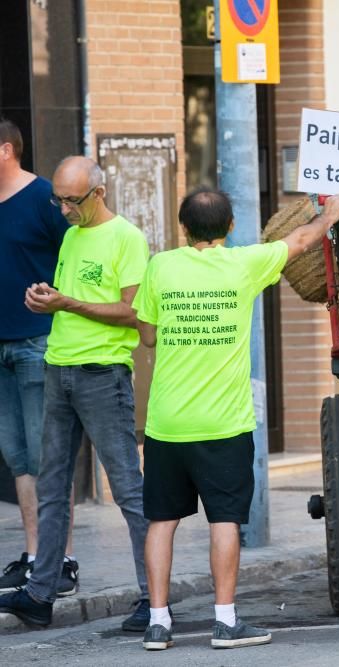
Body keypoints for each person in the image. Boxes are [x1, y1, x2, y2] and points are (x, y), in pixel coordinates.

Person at [132, 189, 339, 651]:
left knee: (161, 521)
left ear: (183, 228)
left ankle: (156, 623)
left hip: (166, 423)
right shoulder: (244, 264)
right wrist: (332, 212)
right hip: (224, 425)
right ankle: (225, 622)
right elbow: (301, 241)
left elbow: (147, 336)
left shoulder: (160, 267)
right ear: (230, 228)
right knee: (225, 520)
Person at [0, 156, 151, 631]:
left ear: (98, 193)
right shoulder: (71, 236)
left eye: (72, 200)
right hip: (58, 369)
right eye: (58, 199)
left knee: (127, 489)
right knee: (51, 486)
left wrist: (67, 302)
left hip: (102, 375)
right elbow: (75, 303)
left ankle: (154, 597)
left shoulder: (126, 237)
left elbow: (133, 312)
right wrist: (47, 299)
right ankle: (41, 594)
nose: (63, 209)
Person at [0, 119, 77, 595]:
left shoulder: (46, 199)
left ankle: (60, 560)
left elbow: (75, 260)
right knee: (18, 457)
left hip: (37, 342)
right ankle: (34, 556)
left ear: (5, 149)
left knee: (46, 456)